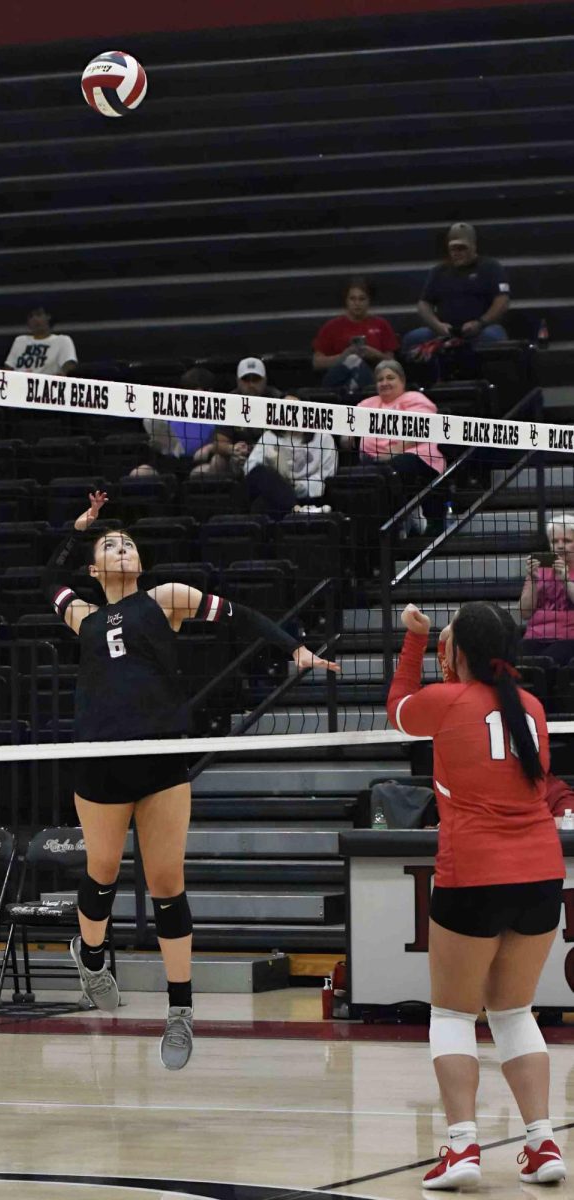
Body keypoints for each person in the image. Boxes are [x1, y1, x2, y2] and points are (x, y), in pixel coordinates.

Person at [42, 491, 339, 1070]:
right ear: (94, 567)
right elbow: (44, 576)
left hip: (162, 760)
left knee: (166, 883)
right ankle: (93, 954)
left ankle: (180, 1011)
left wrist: (294, 649)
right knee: (101, 872)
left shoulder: (166, 598)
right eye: (110, 544)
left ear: (141, 561)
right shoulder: (83, 615)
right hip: (100, 760)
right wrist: (78, 527)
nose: (122, 547)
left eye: (128, 543)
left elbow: (244, 616)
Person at [388, 600, 566, 1189]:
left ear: (457, 651)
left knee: (453, 1014)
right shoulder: (532, 707)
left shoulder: (448, 700)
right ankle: (542, 1143)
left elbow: (398, 712)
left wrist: (413, 642)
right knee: (515, 1012)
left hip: (475, 871)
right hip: (541, 872)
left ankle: (463, 1148)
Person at [343, 359, 445, 534]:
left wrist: (393, 453)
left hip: (415, 456)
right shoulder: (368, 404)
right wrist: (347, 435)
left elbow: (421, 430)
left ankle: (407, 517)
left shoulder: (414, 399)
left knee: (391, 470)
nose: (385, 383)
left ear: (402, 381)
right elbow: (347, 431)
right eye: (380, 379)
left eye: (390, 377)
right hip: (374, 462)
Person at [402, 222, 510, 356]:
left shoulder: (491, 267)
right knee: (412, 339)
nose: (457, 253)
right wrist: (437, 325)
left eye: (462, 248)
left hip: (482, 329)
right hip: (445, 330)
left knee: (493, 339)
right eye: (453, 248)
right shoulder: (439, 271)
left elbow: (502, 300)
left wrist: (480, 323)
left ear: (473, 246)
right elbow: (424, 303)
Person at [311, 277, 399, 394]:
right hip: (336, 381)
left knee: (360, 372)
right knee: (352, 359)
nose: (357, 303)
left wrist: (374, 354)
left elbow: (393, 363)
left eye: (362, 299)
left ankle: (353, 393)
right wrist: (344, 356)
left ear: (369, 301)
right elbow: (317, 363)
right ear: (346, 301)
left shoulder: (381, 324)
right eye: (352, 299)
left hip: (372, 378)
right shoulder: (332, 326)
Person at [243, 410, 337, 516]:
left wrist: (300, 486)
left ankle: (295, 508)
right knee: (259, 472)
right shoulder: (269, 437)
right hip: (275, 492)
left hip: (311, 496)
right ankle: (297, 509)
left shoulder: (323, 438)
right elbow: (250, 468)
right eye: (285, 410)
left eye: (294, 409)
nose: (289, 414)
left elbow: (327, 474)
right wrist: (277, 477)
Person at [520, 513, 574, 665]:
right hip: (535, 635)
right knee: (514, 660)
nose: (560, 545)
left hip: (569, 637)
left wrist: (566, 580)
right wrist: (533, 580)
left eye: (567, 541)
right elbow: (525, 612)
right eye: (555, 541)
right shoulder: (540, 570)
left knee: (547, 661)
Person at [4, 304, 78, 375]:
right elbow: (9, 367)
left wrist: (62, 374)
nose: (34, 319)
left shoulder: (62, 340)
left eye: (38, 315)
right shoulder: (20, 340)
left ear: (49, 317)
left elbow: (69, 362)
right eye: (31, 317)